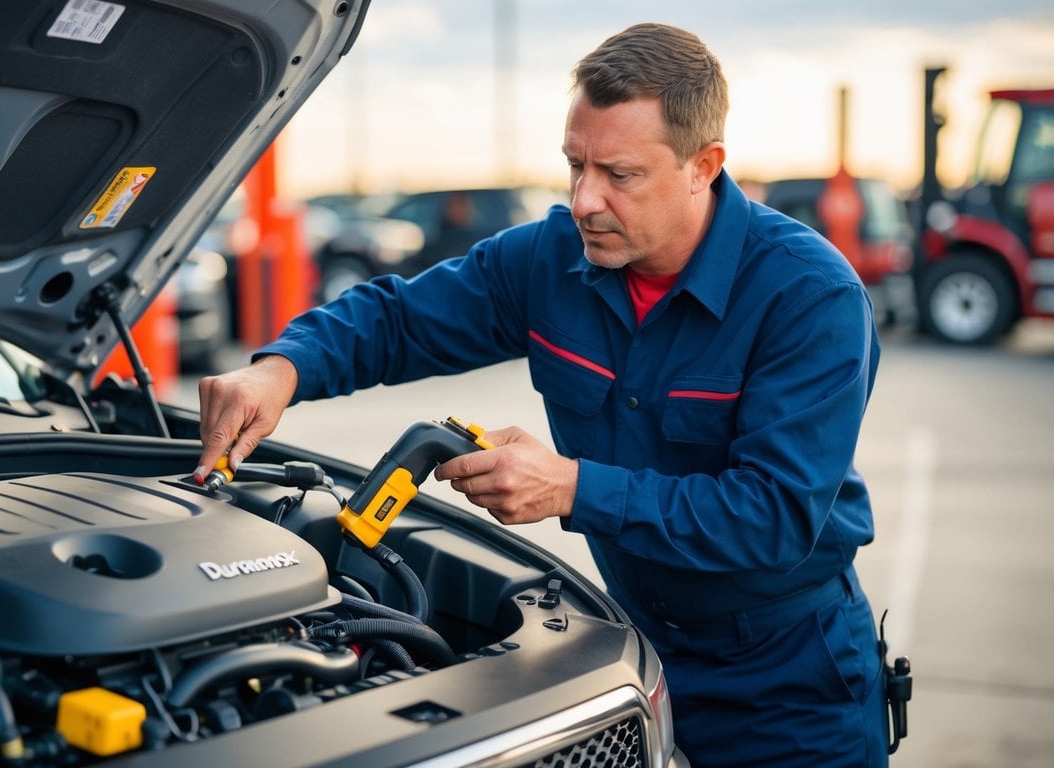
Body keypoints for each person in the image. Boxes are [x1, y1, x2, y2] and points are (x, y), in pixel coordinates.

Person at [194, 22, 888, 768]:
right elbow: (397, 320)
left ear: (702, 166)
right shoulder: (550, 259)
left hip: (790, 685)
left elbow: (772, 517)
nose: (585, 199)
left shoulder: (807, 297)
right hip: (637, 654)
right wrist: (282, 368)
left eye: (618, 174)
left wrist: (571, 488)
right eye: (574, 165)